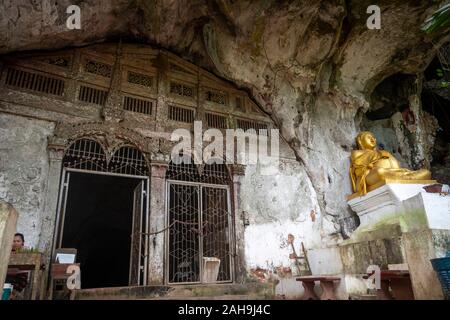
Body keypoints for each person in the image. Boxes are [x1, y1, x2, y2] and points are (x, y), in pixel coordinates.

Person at [5, 233, 29, 299]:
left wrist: (19, 253)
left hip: (20, 276)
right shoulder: (6, 251)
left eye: (18, 241)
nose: (15, 243)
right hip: (7, 275)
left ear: (22, 243)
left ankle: (11, 296)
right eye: (14, 241)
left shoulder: (26, 251)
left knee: (13, 292)